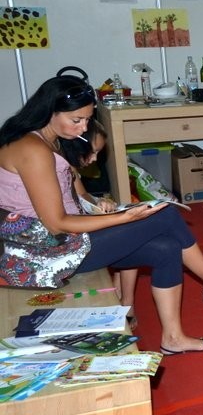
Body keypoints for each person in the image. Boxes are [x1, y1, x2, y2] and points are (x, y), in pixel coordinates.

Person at [0, 74, 203, 355]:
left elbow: (75, 198)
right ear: (50, 110)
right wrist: (126, 218)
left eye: (87, 119)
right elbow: (56, 224)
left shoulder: (52, 140)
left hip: (63, 242)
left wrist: (105, 207)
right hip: (45, 253)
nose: (83, 127)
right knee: (166, 215)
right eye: (77, 120)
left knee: (167, 248)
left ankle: (173, 338)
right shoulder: (33, 149)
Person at [59, 120, 139, 320]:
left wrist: (101, 202)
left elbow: (84, 197)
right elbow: (63, 219)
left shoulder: (70, 168)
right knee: (133, 233)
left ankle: (124, 299)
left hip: (80, 226)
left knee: (138, 232)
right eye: (93, 152)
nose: (95, 159)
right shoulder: (58, 166)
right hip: (68, 240)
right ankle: (126, 303)